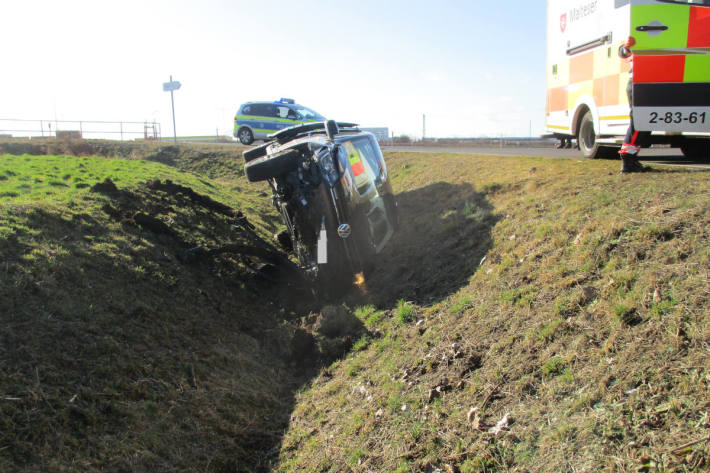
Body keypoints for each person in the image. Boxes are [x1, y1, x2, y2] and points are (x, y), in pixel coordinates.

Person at [618, 37, 651, 173]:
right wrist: (626, 47)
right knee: (640, 122)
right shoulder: (638, 30)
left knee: (644, 122)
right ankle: (628, 160)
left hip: (645, 83)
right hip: (639, 83)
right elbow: (622, 52)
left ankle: (630, 159)